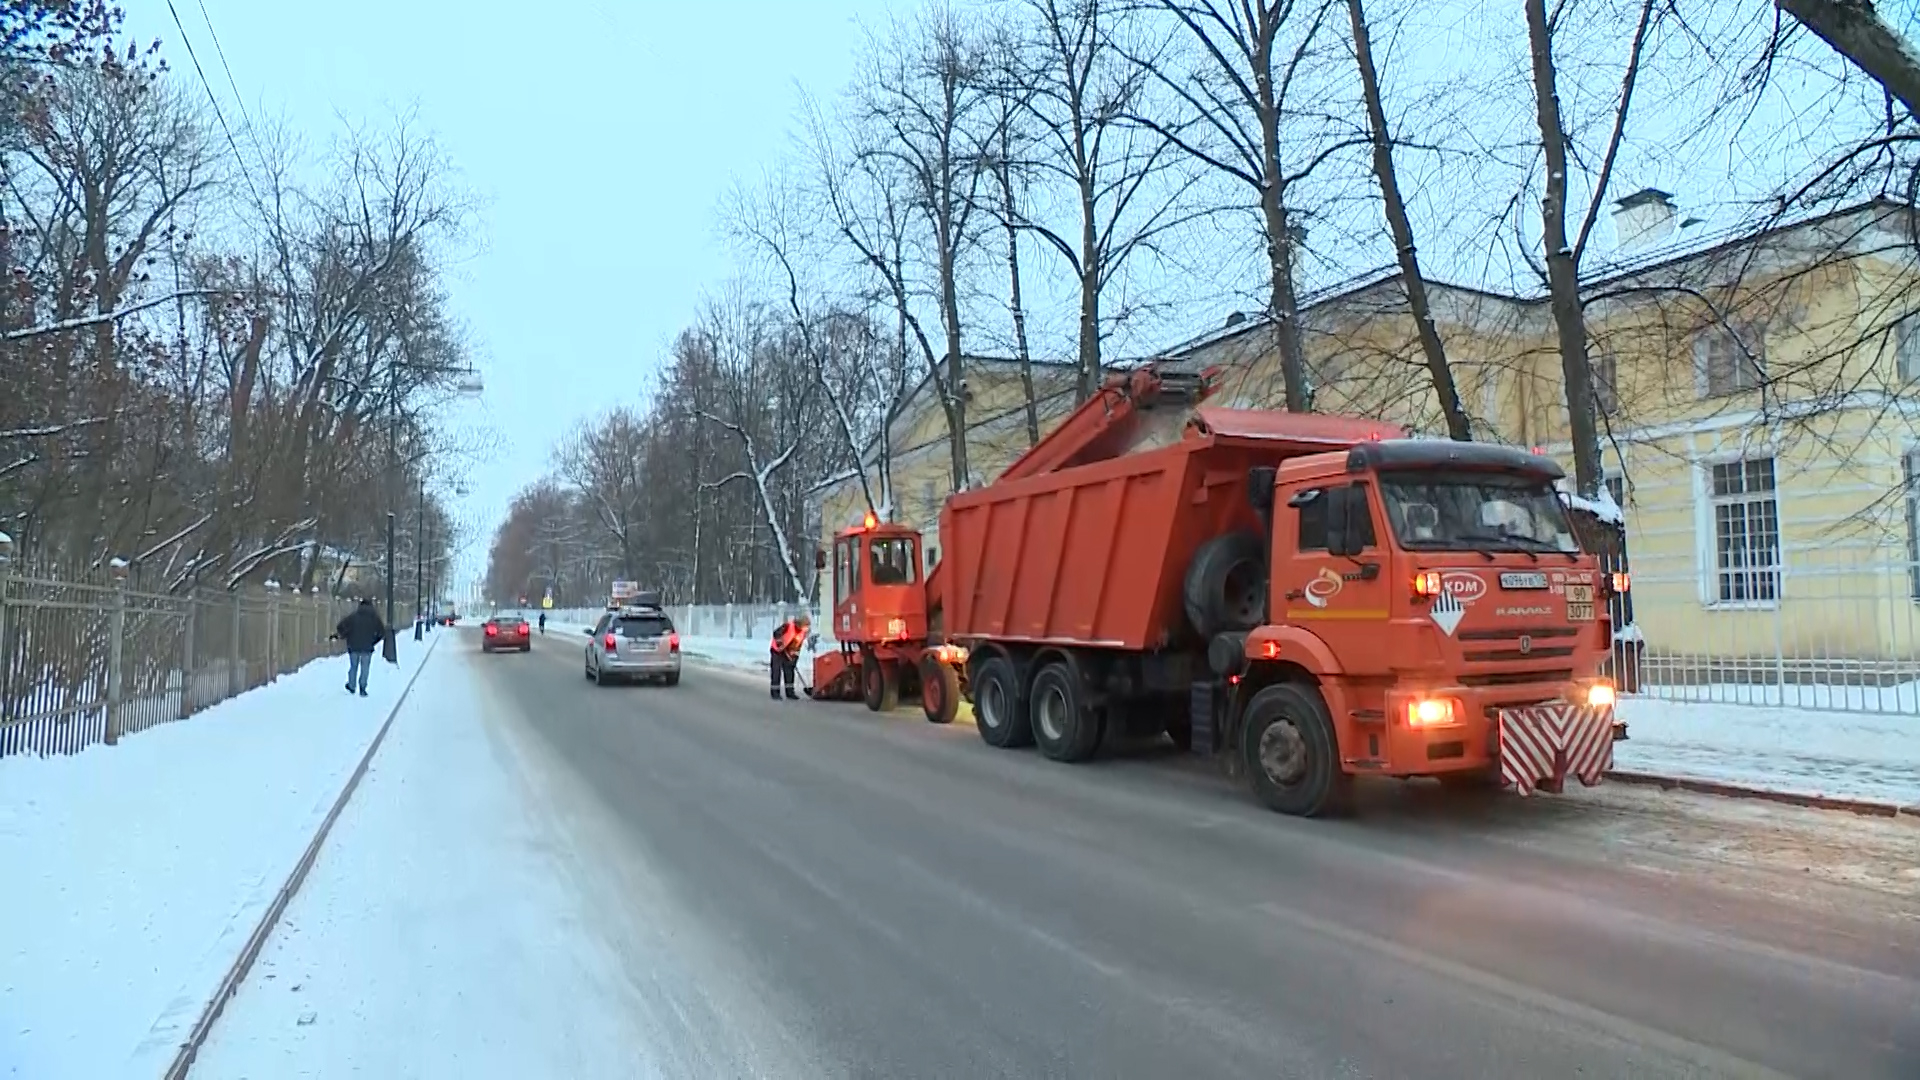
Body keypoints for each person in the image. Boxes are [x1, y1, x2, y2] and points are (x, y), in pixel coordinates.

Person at [332, 598, 389, 698]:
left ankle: (352, 685)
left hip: (353, 645)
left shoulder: (353, 617)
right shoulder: (375, 618)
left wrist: (346, 635)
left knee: (353, 666)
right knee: (365, 668)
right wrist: (373, 641)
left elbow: (340, 626)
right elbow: (382, 632)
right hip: (367, 647)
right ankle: (362, 688)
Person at [769, 614, 811, 701]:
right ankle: (775, 692)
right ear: (800, 624)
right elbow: (776, 633)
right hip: (777, 650)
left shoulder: (802, 633)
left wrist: (794, 659)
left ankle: (790, 692)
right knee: (776, 671)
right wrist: (780, 643)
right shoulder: (788, 626)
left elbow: (797, 647)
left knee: (789, 671)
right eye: (805, 626)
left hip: (787, 652)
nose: (806, 628)